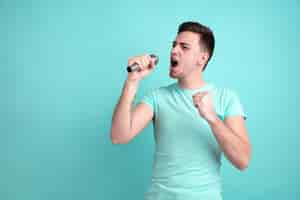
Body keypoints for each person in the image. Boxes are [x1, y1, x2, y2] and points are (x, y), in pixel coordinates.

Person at [110, 21, 251, 200]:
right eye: (174, 45)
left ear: (202, 58)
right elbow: (119, 136)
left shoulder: (226, 98)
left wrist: (212, 118)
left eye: (184, 47)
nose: (174, 50)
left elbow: (243, 160)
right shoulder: (157, 97)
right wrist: (132, 81)